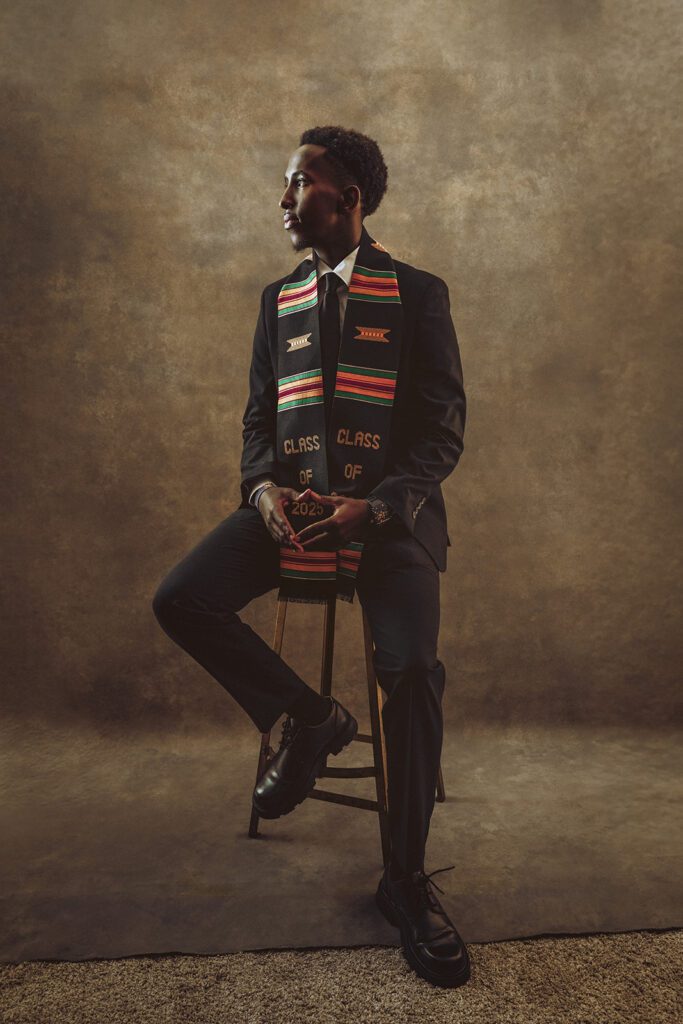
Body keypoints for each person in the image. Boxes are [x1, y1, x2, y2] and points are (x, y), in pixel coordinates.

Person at [152, 125, 469, 989]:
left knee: (411, 672)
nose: (284, 199)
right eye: (287, 183)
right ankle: (313, 718)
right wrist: (261, 492)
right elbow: (258, 421)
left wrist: (377, 505)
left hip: (387, 518)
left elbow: (442, 429)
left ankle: (404, 880)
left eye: (298, 183)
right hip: (291, 509)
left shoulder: (417, 294)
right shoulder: (278, 299)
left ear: (348, 198)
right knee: (180, 598)